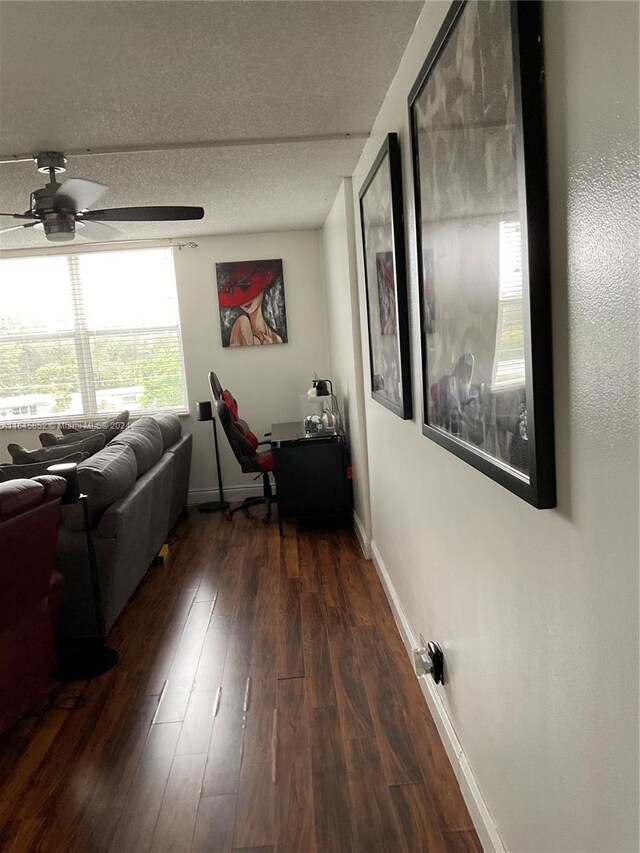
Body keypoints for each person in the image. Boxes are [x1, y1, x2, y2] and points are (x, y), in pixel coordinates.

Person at [217, 261, 283, 346]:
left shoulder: (276, 338)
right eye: (239, 297)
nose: (245, 301)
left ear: (262, 287)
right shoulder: (242, 323)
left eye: (251, 291)